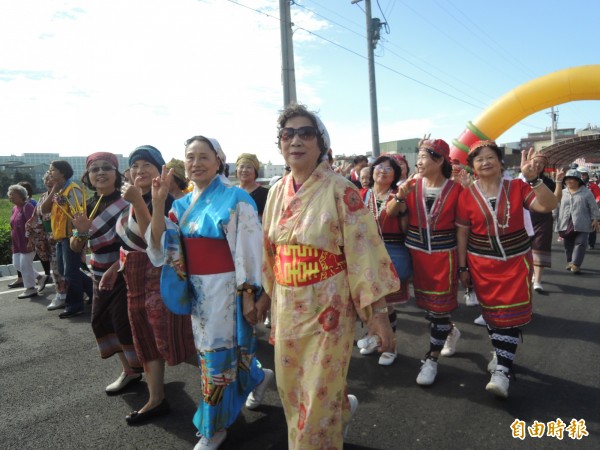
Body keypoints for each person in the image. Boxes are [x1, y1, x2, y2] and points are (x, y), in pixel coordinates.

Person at [262, 104, 399, 449]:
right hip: (288, 306)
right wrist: (265, 296)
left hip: (328, 312)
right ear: (279, 143)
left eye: (305, 133)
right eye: (287, 134)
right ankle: (338, 418)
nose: (295, 140)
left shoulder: (341, 191)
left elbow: (365, 254)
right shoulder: (277, 192)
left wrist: (378, 315)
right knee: (292, 388)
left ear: (321, 142)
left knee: (317, 395)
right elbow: (269, 250)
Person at [147, 136, 272, 450]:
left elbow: (249, 250)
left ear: (219, 160)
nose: (196, 163)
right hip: (199, 292)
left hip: (227, 289)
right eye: (190, 157)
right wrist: (158, 202)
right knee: (219, 353)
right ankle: (258, 377)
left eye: (204, 156)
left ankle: (214, 427)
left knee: (216, 358)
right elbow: (161, 248)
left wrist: (248, 295)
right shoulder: (180, 204)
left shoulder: (236, 199)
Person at [456, 141, 558, 398]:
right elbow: (462, 233)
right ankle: (501, 354)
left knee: (510, 316)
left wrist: (535, 179)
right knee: (492, 316)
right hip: (481, 264)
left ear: (501, 162)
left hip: (515, 262)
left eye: (491, 157)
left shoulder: (518, 186)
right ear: (473, 167)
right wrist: (462, 266)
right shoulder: (466, 194)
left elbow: (547, 206)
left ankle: (502, 370)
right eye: (479, 160)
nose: (485, 162)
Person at [116, 145, 196, 425]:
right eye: (134, 165)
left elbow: (157, 245)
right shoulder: (130, 200)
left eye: (146, 165)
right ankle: (156, 398)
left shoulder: (167, 202)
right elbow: (128, 244)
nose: (139, 171)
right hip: (134, 278)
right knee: (145, 338)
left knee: (175, 337)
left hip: (161, 278)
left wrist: (139, 201)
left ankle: (240, 375)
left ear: (160, 169)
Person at [71, 152, 144, 394]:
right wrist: (81, 232)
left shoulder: (127, 202)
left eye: (106, 168)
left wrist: (116, 268)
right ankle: (130, 369)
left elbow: (136, 241)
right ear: (88, 176)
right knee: (100, 322)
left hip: (126, 270)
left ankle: (144, 368)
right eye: (95, 170)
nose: (100, 173)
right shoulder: (85, 206)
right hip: (98, 272)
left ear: (116, 173)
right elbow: (76, 245)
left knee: (125, 324)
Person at [392, 139, 464, 385]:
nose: (418, 162)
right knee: (430, 309)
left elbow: (464, 229)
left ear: (440, 160)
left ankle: (431, 360)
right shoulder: (410, 186)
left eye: (424, 157)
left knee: (439, 309)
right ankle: (450, 331)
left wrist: (465, 265)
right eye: (418, 157)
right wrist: (400, 199)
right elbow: (392, 214)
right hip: (417, 255)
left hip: (446, 257)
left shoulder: (457, 190)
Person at [360, 154, 410, 366]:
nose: (382, 171)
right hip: (364, 253)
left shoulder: (398, 196)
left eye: (389, 169)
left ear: (395, 175)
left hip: (391, 251)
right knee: (370, 300)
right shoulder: (361, 194)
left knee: (387, 303)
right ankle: (374, 337)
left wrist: (400, 200)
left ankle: (391, 345)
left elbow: (401, 223)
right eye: (379, 167)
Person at [40, 160, 94, 318]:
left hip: (71, 237)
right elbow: (44, 209)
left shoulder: (73, 190)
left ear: (62, 172)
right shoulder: (59, 190)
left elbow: (79, 214)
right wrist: (54, 190)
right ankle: (92, 289)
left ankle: (75, 305)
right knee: (65, 271)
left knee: (70, 272)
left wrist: (77, 237)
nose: (50, 173)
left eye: (52, 170)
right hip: (60, 237)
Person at [524, 154, 565, 292]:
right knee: (524, 250)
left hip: (543, 219)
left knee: (540, 248)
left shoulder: (548, 182)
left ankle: (538, 280)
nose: (538, 165)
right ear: (530, 161)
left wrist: (559, 182)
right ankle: (527, 275)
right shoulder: (521, 178)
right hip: (524, 218)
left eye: (541, 163)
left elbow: (556, 200)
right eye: (536, 161)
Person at [35, 173, 69, 310]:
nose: (49, 182)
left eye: (52, 179)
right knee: (56, 267)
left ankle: (62, 295)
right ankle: (67, 293)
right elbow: (38, 216)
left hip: (61, 237)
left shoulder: (61, 196)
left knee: (60, 268)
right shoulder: (44, 197)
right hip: (47, 237)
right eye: (46, 179)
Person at [556, 168, 600, 273]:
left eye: (572, 179)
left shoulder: (586, 193)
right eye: (567, 179)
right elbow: (555, 205)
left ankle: (576, 264)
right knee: (568, 244)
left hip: (582, 222)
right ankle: (570, 261)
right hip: (566, 223)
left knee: (581, 243)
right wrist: (552, 216)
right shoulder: (562, 192)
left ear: (578, 180)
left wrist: (595, 219)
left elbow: (593, 207)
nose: (569, 181)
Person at [8, 185, 38, 299]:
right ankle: (40, 278)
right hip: (17, 242)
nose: (11, 197)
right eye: (10, 195)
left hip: (27, 241)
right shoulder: (14, 208)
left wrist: (31, 241)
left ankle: (30, 288)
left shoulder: (28, 207)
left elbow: (33, 225)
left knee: (25, 265)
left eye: (13, 195)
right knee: (17, 264)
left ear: (21, 196)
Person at [235, 153, 269, 218]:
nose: (244, 170)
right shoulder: (232, 192)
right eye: (241, 167)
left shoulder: (265, 194)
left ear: (255, 171)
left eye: (249, 167)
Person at [578, 167, 600, 249]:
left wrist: (596, 203)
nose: (582, 176)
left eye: (584, 174)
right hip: (578, 210)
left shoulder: (593, 186)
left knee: (592, 227)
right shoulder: (575, 186)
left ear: (587, 175)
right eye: (581, 175)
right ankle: (579, 242)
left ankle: (591, 243)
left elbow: (598, 196)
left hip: (591, 210)